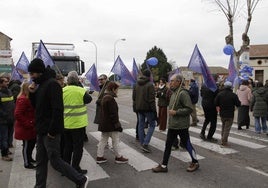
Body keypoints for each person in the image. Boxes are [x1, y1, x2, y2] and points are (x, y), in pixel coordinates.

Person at [27, 58, 89, 188]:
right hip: (41, 130)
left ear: (39, 72)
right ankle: (39, 186)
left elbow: (58, 109)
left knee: (55, 161)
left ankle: (80, 179)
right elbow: (37, 107)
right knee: (40, 161)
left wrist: (53, 131)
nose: (31, 77)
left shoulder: (52, 84)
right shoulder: (40, 85)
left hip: (50, 132)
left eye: (32, 73)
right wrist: (32, 94)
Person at [152, 74, 199, 173]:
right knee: (168, 145)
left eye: (172, 81)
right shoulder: (174, 93)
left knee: (187, 144)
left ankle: (195, 162)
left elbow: (189, 109)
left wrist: (176, 112)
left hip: (181, 125)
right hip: (173, 125)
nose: (170, 83)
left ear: (178, 82)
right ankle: (164, 166)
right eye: (170, 81)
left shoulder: (183, 93)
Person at [63, 71, 92, 174]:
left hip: (66, 124)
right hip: (78, 125)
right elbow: (89, 99)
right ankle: (75, 168)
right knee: (78, 148)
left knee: (68, 146)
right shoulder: (81, 90)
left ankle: (65, 168)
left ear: (67, 81)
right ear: (77, 80)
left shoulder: (62, 90)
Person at [96, 82, 128, 164]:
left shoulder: (105, 97)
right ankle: (118, 157)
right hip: (110, 125)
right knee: (115, 141)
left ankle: (99, 156)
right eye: (117, 89)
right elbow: (113, 115)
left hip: (104, 124)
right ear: (113, 89)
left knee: (103, 140)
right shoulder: (110, 99)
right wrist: (117, 125)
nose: (118, 91)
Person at [132, 69, 157, 153]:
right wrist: (155, 111)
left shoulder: (136, 84)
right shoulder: (150, 85)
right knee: (152, 125)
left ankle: (142, 143)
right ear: (149, 76)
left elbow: (134, 98)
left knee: (140, 125)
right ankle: (145, 144)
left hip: (139, 108)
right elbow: (152, 100)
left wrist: (135, 107)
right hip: (148, 108)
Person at [14, 81, 36, 169]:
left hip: (29, 126)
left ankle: (29, 158)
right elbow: (17, 114)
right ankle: (27, 163)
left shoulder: (27, 98)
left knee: (31, 144)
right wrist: (28, 123)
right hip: (25, 127)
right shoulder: (23, 99)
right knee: (27, 145)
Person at [215, 81, 241, 147]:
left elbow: (215, 103)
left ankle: (223, 139)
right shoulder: (233, 95)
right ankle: (224, 142)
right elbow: (238, 104)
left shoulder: (220, 94)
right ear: (230, 87)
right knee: (227, 128)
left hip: (222, 114)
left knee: (223, 127)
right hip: (230, 114)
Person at [0, 76, 15, 161]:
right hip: (3, 120)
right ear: (1, 83)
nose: (7, 83)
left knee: (9, 137)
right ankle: (4, 154)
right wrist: (5, 115)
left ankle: (7, 149)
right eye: (5, 82)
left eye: (7, 81)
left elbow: (12, 104)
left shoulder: (9, 91)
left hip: (11, 119)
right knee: (4, 138)